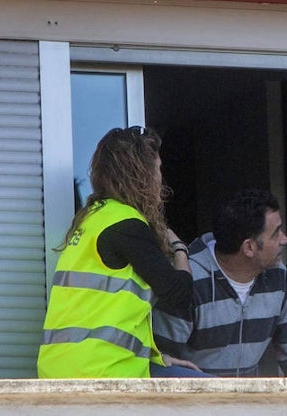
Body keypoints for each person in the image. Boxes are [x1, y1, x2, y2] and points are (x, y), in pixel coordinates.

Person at [38, 125, 205, 378]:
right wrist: (179, 248)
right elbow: (179, 294)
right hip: (102, 372)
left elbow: (103, 311)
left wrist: (159, 357)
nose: (161, 180)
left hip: (63, 368)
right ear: (142, 174)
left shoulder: (92, 220)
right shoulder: (126, 224)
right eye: (158, 170)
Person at [152, 189, 287, 377]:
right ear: (249, 247)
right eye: (276, 233)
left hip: (248, 403)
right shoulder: (189, 280)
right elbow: (161, 364)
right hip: (195, 402)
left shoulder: (277, 276)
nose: (285, 239)